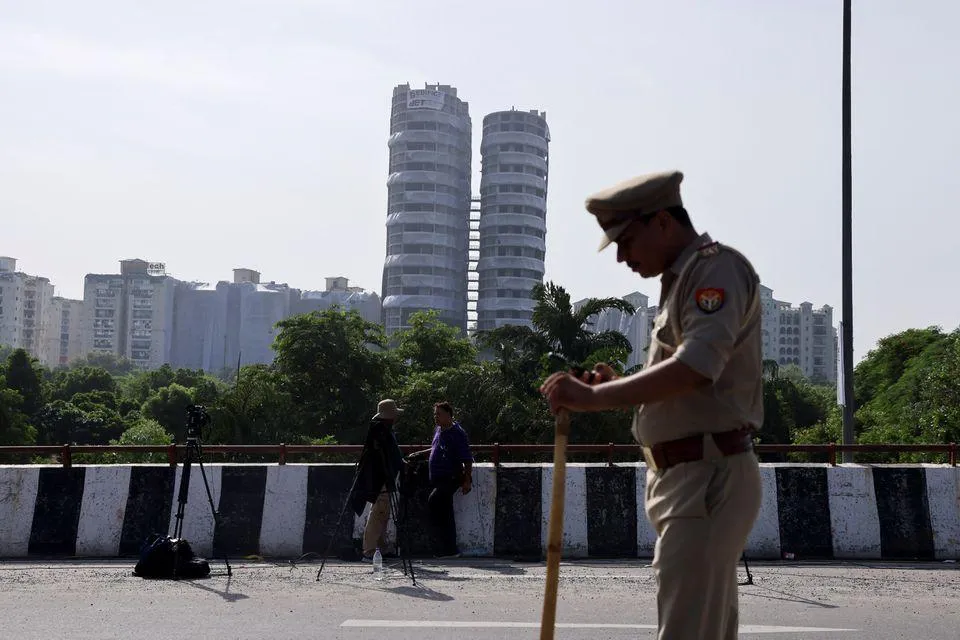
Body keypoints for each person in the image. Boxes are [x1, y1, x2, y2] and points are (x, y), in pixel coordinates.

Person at [539, 170, 764, 640]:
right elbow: (688, 387)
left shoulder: (713, 269)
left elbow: (699, 365)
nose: (621, 257)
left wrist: (597, 396)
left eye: (625, 240)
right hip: (688, 475)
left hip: (707, 475)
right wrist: (623, 387)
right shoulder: (682, 279)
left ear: (662, 221)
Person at [420, 401, 473, 558]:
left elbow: (467, 458)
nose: (436, 417)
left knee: (434, 501)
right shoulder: (438, 430)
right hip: (438, 477)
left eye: (439, 414)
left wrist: (467, 480)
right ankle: (448, 549)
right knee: (445, 511)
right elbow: (436, 448)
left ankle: (445, 547)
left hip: (451, 476)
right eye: (435, 414)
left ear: (449, 415)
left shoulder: (458, 433)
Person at [355, 398, 405, 562]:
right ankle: (369, 550)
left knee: (383, 513)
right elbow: (380, 456)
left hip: (384, 477)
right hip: (381, 478)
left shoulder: (384, 430)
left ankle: (381, 548)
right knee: (379, 512)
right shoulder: (381, 432)